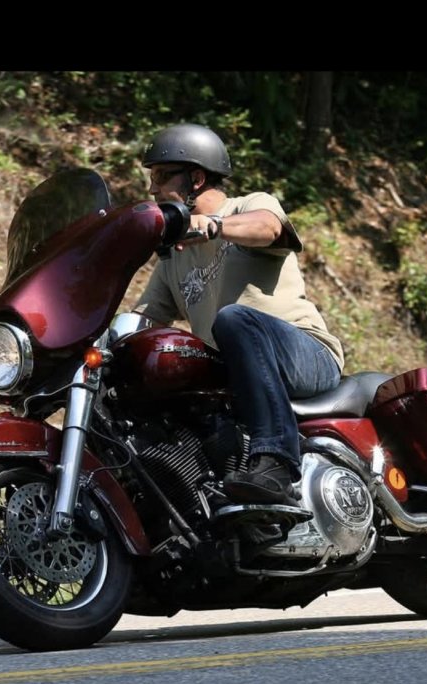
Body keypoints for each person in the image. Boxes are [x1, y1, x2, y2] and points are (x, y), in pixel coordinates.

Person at [132, 123, 345, 504]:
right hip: (234, 372)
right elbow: (142, 321)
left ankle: (277, 464)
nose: (152, 189)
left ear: (196, 179)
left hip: (307, 354)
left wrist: (215, 226)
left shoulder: (246, 207)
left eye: (161, 176)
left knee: (234, 318)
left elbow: (269, 227)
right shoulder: (173, 258)